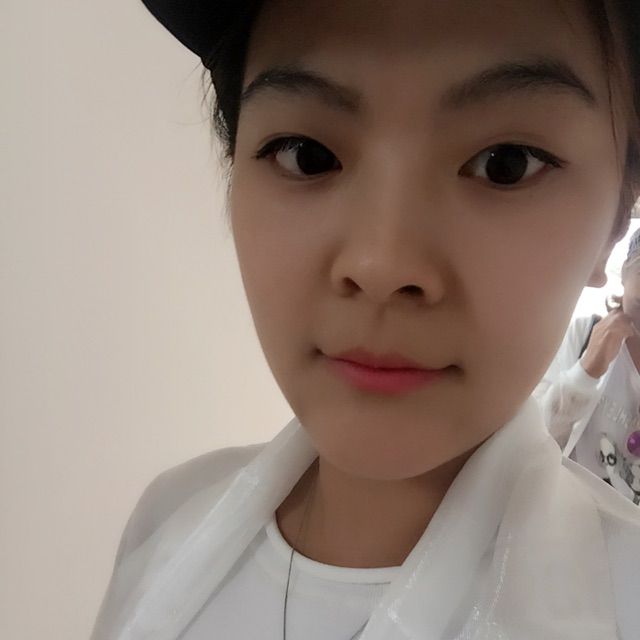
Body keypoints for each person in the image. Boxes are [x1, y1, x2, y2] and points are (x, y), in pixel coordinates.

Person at [91, 2, 640, 639]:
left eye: (506, 163)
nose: (382, 264)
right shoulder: (165, 522)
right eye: (307, 155)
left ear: (615, 221)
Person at [535, 227, 640, 504]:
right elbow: (536, 438)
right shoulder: (585, 334)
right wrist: (585, 373)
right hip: (569, 514)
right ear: (625, 276)